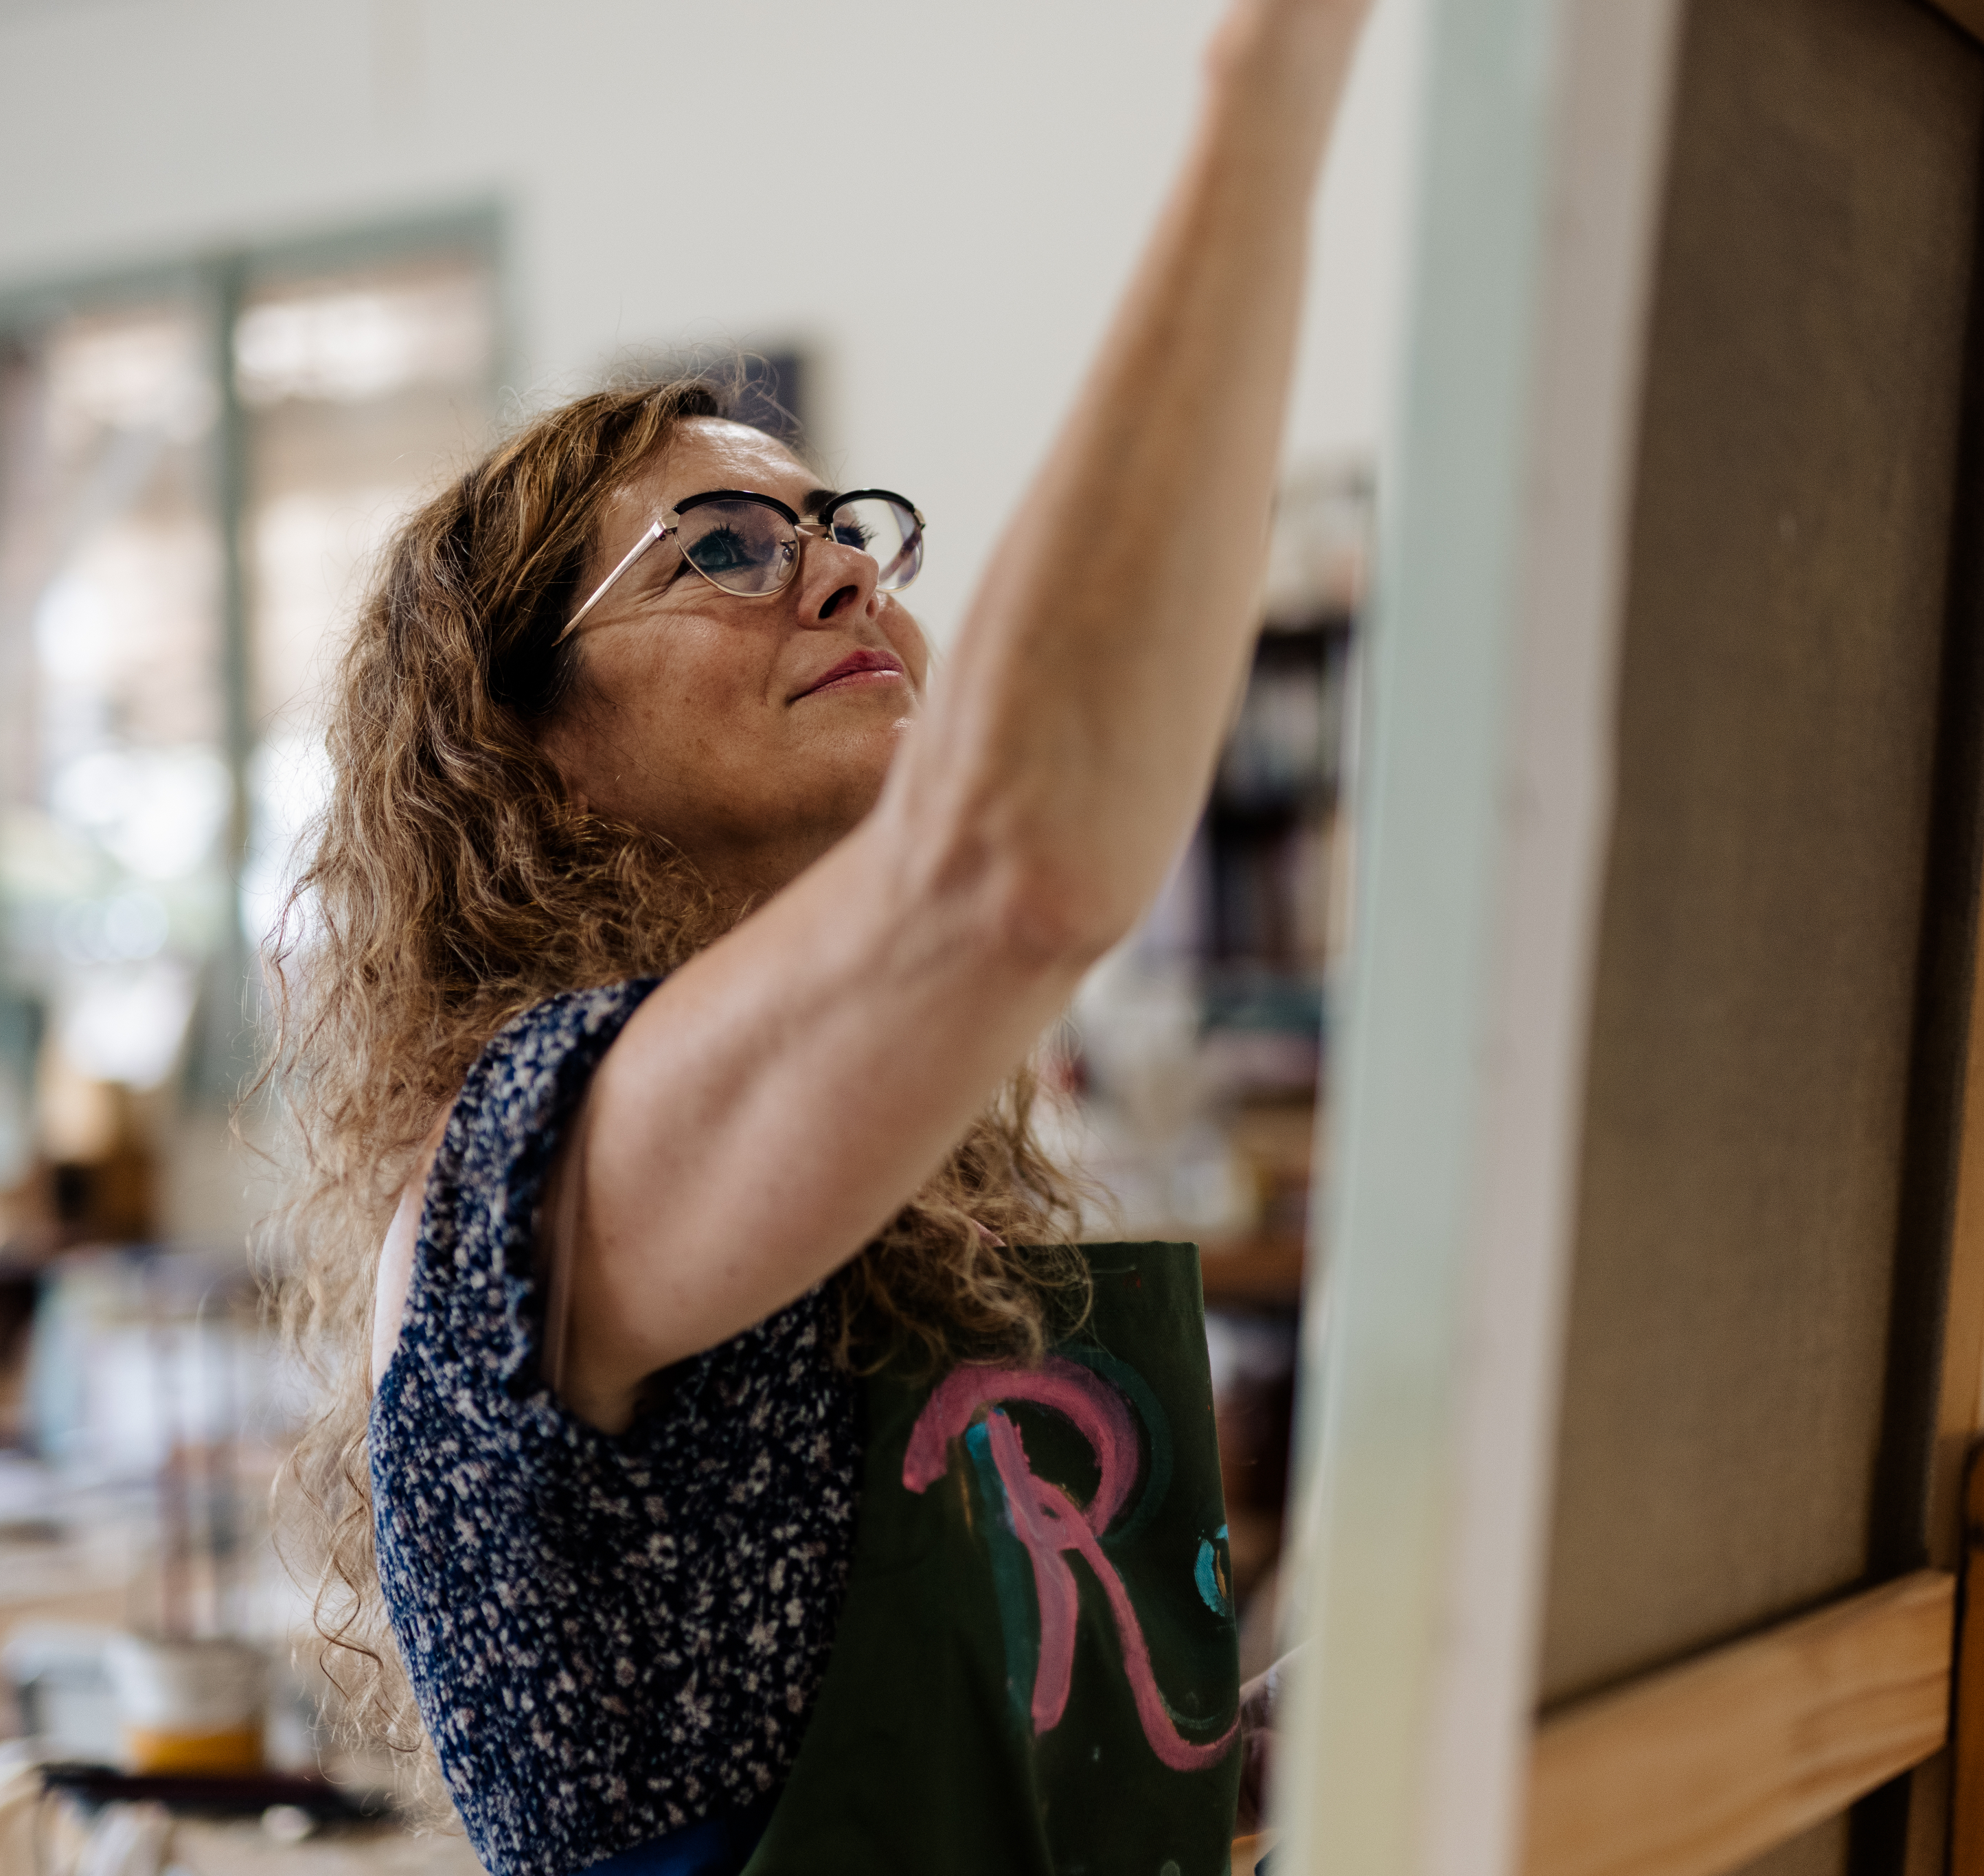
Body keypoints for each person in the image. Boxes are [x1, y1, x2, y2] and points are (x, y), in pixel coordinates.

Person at [266, 1, 1371, 1868]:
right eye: (723, 549)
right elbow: (1020, 851)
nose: (847, 566)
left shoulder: (900, 1195)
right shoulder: (529, 1189)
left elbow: (1071, 1783)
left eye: (845, 528)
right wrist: (1269, 79)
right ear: (519, 736)